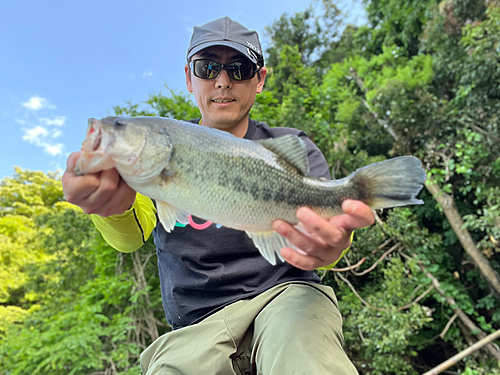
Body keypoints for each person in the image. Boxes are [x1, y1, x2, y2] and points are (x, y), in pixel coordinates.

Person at [63, 16, 374, 375]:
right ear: (188, 78)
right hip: (195, 327)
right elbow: (130, 237)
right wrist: (109, 208)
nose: (222, 81)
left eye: (239, 69)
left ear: (259, 80)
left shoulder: (294, 147)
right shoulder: (148, 170)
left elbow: (323, 237)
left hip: (289, 300)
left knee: (308, 360)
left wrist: (333, 244)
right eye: (207, 67)